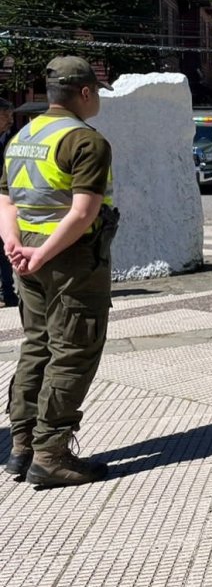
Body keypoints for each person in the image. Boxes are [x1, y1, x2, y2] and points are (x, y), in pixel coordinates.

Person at [1, 56, 117, 487]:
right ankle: (51, 454)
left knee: (38, 343)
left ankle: (22, 445)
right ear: (84, 92)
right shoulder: (87, 141)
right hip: (70, 259)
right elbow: (84, 213)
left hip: (25, 254)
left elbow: (6, 200)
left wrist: (14, 245)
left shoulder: (22, 136)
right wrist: (46, 253)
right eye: (97, 92)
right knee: (73, 348)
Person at [0, 98, 18, 307]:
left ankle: (7, 292)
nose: (10, 120)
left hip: (6, 200)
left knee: (5, 247)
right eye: (6, 115)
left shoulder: (14, 139)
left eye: (12, 115)